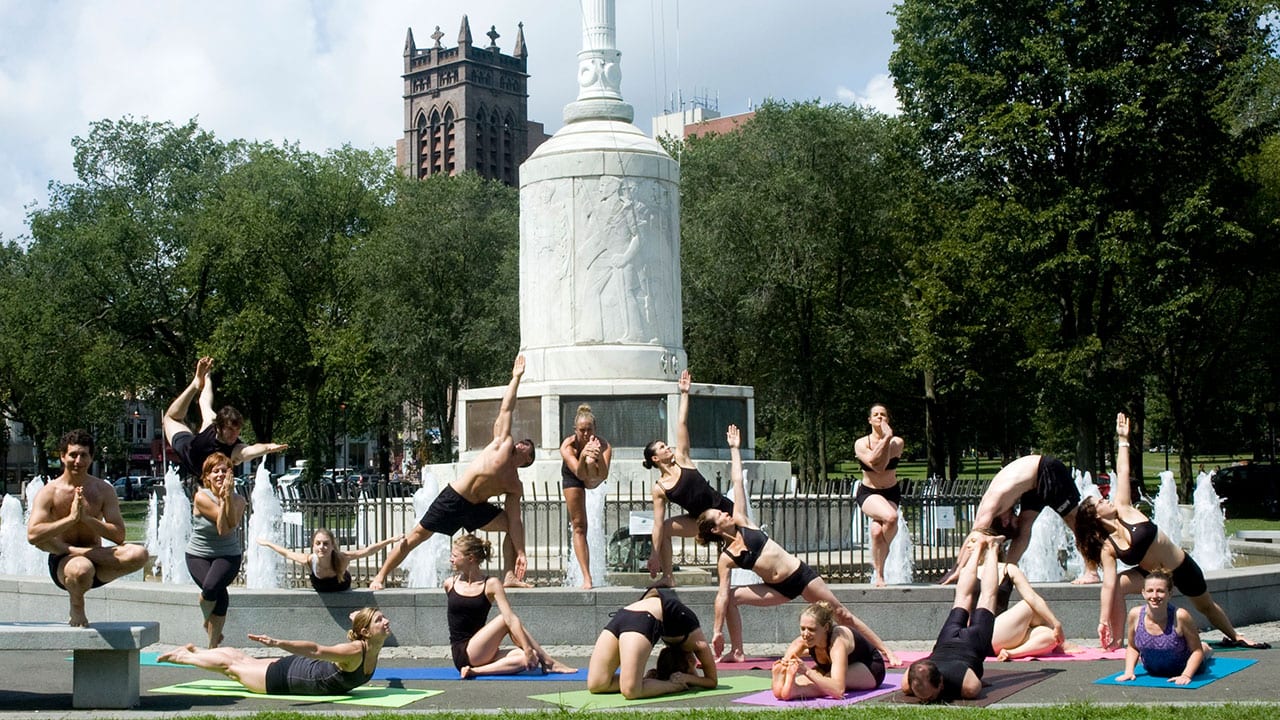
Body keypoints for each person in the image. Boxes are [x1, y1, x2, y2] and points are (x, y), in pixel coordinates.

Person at [697, 425, 898, 667]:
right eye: (719, 515)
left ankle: (885, 650)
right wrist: (717, 631)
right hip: (776, 588)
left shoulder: (742, 521)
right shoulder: (726, 557)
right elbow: (720, 596)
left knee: (841, 614)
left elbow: (737, 479)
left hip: (800, 576)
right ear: (715, 529)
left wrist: (735, 449)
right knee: (729, 597)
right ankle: (737, 651)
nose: (724, 513)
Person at [1074, 412, 1269, 650]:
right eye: (1100, 503)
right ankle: (1116, 642)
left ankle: (1235, 635)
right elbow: (1107, 585)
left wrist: (1123, 440)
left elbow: (1123, 471)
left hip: (1180, 567)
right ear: (1095, 516)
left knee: (1205, 606)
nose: (1106, 500)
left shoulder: (1124, 507)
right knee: (1117, 586)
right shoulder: (1107, 546)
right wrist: (1103, 620)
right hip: (1152, 575)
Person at [370, 355, 534, 590]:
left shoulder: (514, 485)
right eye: (522, 441)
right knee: (417, 536)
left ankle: (510, 576)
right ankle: (381, 576)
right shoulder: (502, 444)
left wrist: (521, 552)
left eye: (528, 446)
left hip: (476, 509)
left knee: (509, 526)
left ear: (527, 459)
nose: (522, 443)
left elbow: (516, 520)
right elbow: (506, 408)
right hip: (455, 498)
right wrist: (515, 378)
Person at [26, 429, 150, 626]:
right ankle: (77, 606)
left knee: (140, 554)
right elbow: (33, 535)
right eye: (73, 455)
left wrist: (87, 519)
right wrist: (71, 519)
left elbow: (119, 536)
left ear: (91, 458)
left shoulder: (103, 490)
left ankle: (78, 554)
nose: (78, 461)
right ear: (62, 456)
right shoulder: (49, 492)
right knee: (81, 569)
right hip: (64, 563)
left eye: (84, 455)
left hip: (98, 558)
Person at [157, 607, 389, 695]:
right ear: (366, 632)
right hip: (284, 678)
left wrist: (356, 617)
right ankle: (184, 656)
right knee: (232, 667)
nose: (386, 621)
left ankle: (196, 651)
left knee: (242, 658)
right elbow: (316, 650)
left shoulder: (372, 645)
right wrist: (278, 642)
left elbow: (355, 625)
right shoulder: (355, 650)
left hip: (300, 670)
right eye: (379, 620)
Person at [644, 369, 732, 587]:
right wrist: (654, 554)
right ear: (656, 458)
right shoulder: (660, 488)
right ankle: (668, 577)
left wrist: (684, 393)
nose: (668, 447)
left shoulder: (682, 458)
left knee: (742, 547)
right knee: (664, 528)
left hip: (723, 510)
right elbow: (656, 525)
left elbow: (682, 424)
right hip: (699, 520)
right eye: (663, 447)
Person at [444, 534, 576, 678]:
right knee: (504, 619)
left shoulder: (491, 584)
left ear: (470, 558)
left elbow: (511, 620)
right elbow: (509, 620)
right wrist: (528, 648)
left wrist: (527, 652)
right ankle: (549, 662)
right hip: (463, 652)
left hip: (482, 649)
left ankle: (475, 671)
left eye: (455, 555)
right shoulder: (450, 583)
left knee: (526, 658)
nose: (451, 559)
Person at [943, 452, 1087, 584]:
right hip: (1033, 483)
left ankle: (1092, 572)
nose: (1016, 516)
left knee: (1074, 521)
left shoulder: (990, 506)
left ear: (1005, 522)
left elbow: (973, 539)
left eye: (1014, 522)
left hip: (1047, 470)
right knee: (1025, 525)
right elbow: (974, 539)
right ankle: (1008, 570)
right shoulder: (994, 507)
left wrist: (957, 569)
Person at [903, 534, 1002, 703]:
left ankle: (992, 547)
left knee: (987, 596)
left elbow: (974, 686)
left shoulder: (968, 687)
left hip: (972, 643)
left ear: (941, 683)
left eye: (930, 696)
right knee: (962, 597)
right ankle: (978, 547)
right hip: (948, 640)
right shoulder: (909, 682)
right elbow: (910, 676)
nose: (927, 702)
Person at [162, 356, 287, 477]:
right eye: (230, 430)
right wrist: (205, 377)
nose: (235, 435)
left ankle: (198, 382)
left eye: (237, 430)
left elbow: (251, 450)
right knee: (171, 418)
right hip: (187, 451)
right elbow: (205, 400)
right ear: (219, 428)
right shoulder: (212, 422)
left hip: (205, 476)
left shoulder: (235, 449)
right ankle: (194, 384)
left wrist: (268, 447)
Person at [586, 586, 718, 700]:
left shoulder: (678, 644)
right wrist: (684, 680)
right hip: (641, 618)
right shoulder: (698, 643)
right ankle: (674, 686)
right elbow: (712, 681)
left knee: (598, 684)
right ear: (690, 661)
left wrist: (687, 677)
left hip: (625, 615)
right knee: (630, 690)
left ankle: (638, 681)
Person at [974, 531, 1077, 660]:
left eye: (974, 541)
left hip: (1002, 632)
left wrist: (1056, 625)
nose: (969, 546)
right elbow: (1032, 599)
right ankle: (1061, 643)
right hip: (979, 634)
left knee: (1050, 636)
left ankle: (1012, 653)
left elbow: (1033, 597)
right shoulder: (969, 571)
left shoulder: (1009, 569)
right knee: (1028, 605)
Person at [186, 452, 246, 648]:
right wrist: (223, 499)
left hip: (228, 555)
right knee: (213, 591)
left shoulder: (239, 500)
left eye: (224, 471)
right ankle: (209, 626)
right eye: (215, 471)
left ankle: (211, 644)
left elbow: (226, 528)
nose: (220, 475)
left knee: (215, 590)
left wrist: (227, 497)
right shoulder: (201, 497)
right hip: (198, 554)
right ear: (207, 477)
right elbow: (221, 527)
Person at [772, 601, 887, 700]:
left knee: (828, 680)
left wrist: (806, 671)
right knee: (807, 680)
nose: (805, 634)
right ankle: (789, 688)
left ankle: (796, 691)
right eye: (802, 628)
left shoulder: (837, 644)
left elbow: (838, 691)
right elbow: (786, 661)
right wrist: (785, 667)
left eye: (811, 629)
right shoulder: (801, 641)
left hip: (869, 667)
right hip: (831, 667)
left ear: (826, 627)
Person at [1117, 569, 1213, 684]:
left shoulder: (1180, 616)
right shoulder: (1135, 614)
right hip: (1153, 669)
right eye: (1150, 591)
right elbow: (1132, 647)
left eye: (1160, 591)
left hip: (1182, 667)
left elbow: (1197, 651)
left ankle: (1206, 648)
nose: (1154, 595)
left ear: (1170, 593)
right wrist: (1129, 671)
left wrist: (1186, 675)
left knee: (1202, 650)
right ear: (1143, 593)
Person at [559, 403, 612, 589]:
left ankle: (589, 459)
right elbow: (579, 475)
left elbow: (602, 476)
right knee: (579, 525)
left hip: (594, 473)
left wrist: (595, 457)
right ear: (575, 430)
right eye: (582, 430)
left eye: (590, 429)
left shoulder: (604, 445)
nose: (586, 434)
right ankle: (586, 576)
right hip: (574, 474)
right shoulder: (568, 445)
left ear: (595, 429)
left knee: (590, 459)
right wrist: (583, 457)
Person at [256, 529, 404, 592]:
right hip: (322, 589)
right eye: (318, 543)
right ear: (313, 545)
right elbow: (286, 553)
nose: (322, 547)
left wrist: (392, 540)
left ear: (333, 545)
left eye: (326, 544)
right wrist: (267, 543)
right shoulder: (309, 560)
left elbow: (368, 551)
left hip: (341, 587)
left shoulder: (342, 558)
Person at [853, 403, 904, 587]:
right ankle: (885, 552)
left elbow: (883, 463)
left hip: (891, 491)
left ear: (888, 419)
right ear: (870, 420)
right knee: (891, 517)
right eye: (876, 414)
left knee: (876, 532)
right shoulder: (861, 443)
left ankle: (879, 574)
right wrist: (886, 437)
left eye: (883, 414)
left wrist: (889, 438)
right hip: (869, 492)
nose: (880, 417)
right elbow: (877, 465)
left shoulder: (897, 442)